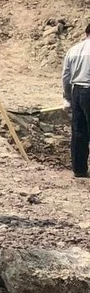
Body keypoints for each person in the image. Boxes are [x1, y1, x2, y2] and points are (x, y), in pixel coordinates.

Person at [63, 22, 90, 178]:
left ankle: (79, 169)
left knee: (79, 131)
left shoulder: (73, 50)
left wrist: (67, 97)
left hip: (77, 91)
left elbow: (66, 77)